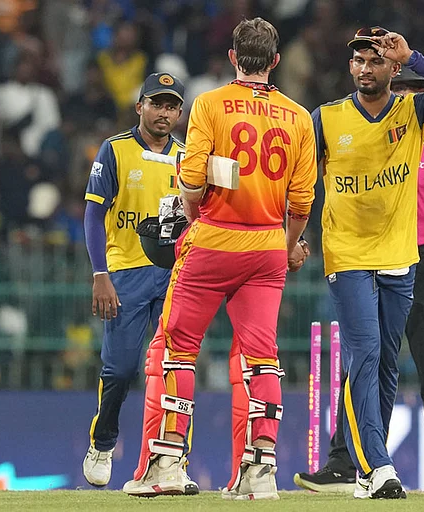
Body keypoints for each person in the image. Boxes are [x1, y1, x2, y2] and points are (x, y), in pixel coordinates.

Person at [121, 18, 316, 500]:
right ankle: (261, 470)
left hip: (213, 237)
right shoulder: (298, 116)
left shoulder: (209, 103)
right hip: (270, 245)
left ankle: (166, 462)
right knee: (261, 357)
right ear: (274, 61)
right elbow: (302, 202)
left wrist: (192, 218)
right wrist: (288, 246)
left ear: (233, 57)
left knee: (174, 345)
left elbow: (190, 179)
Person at [307, 27, 424, 499]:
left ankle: (418, 468)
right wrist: (295, 236)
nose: (365, 68)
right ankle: (375, 466)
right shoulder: (326, 118)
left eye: (376, 61)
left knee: (387, 363)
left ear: (393, 69)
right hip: (346, 254)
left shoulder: (416, 114)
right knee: (364, 353)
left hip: (405, 257)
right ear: (350, 67)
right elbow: (299, 182)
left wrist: (417, 57)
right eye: (359, 61)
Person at [81, 72, 196, 492]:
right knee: (122, 368)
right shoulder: (114, 150)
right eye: (156, 103)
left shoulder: (189, 156)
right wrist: (100, 274)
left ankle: (172, 458)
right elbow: (94, 215)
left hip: (175, 275)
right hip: (125, 272)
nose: (163, 112)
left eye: (171, 106)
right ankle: (102, 442)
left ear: (180, 113)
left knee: (175, 366)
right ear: (140, 107)